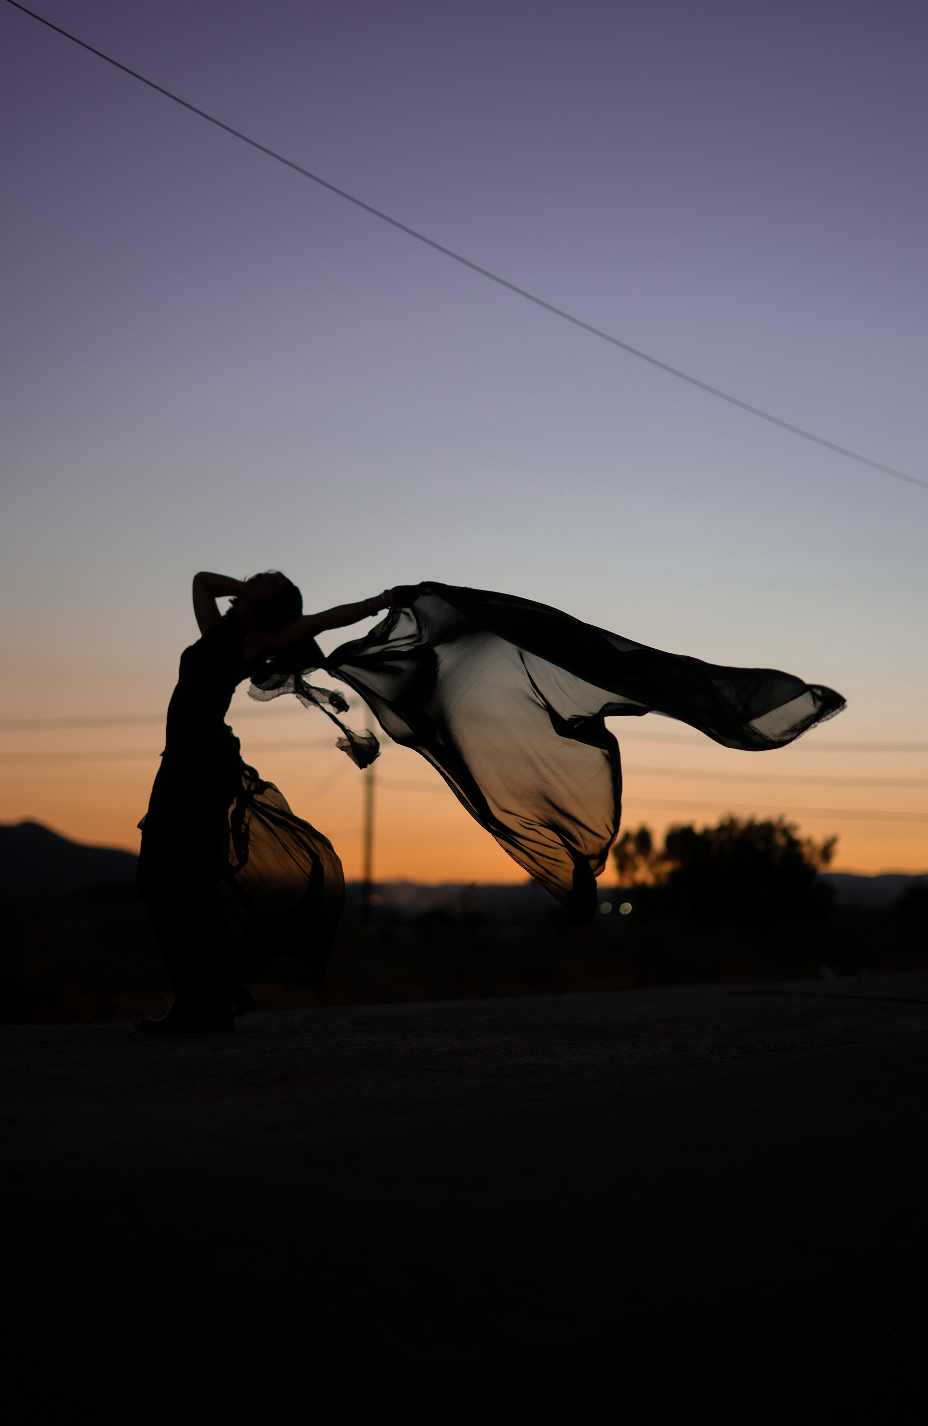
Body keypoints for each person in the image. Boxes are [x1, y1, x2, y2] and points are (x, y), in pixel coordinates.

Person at [137, 571, 394, 1033]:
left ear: (271, 605)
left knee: (172, 878)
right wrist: (249, 593)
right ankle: (209, 1000)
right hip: (181, 761)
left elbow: (324, 620)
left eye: (271, 580)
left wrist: (383, 599)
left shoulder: (254, 639)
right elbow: (200, 580)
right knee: (168, 879)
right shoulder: (221, 631)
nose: (265, 572)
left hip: (201, 764)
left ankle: (204, 1004)